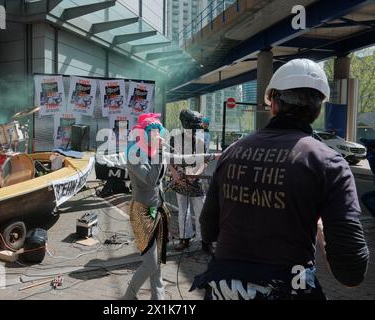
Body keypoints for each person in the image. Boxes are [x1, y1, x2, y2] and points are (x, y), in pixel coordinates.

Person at [192, 59, 369, 300]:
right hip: (290, 288)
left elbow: (208, 229)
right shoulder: (329, 163)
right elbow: (350, 271)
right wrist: (319, 228)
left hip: (225, 288)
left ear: (273, 103)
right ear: (317, 109)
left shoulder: (232, 152)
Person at [123, 113, 170, 300]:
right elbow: (151, 181)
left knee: (158, 259)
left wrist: (216, 155)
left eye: (158, 132)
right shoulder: (134, 154)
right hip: (141, 212)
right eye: (152, 133)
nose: (157, 136)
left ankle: (158, 298)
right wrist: (159, 152)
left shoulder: (155, 152)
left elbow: (184, 157)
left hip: (158, 209)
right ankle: (129, 296)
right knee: (150, 263)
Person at [168, 110, 216, 253]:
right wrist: (174, 172)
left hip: (197, 182)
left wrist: (195, 174)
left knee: (201, 211)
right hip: (180, 181)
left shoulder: (200, 141)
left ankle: (205, 240)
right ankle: (184, 238)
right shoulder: (174, 139)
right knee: (183, 211)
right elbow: (167, 158)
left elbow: (205, 161)